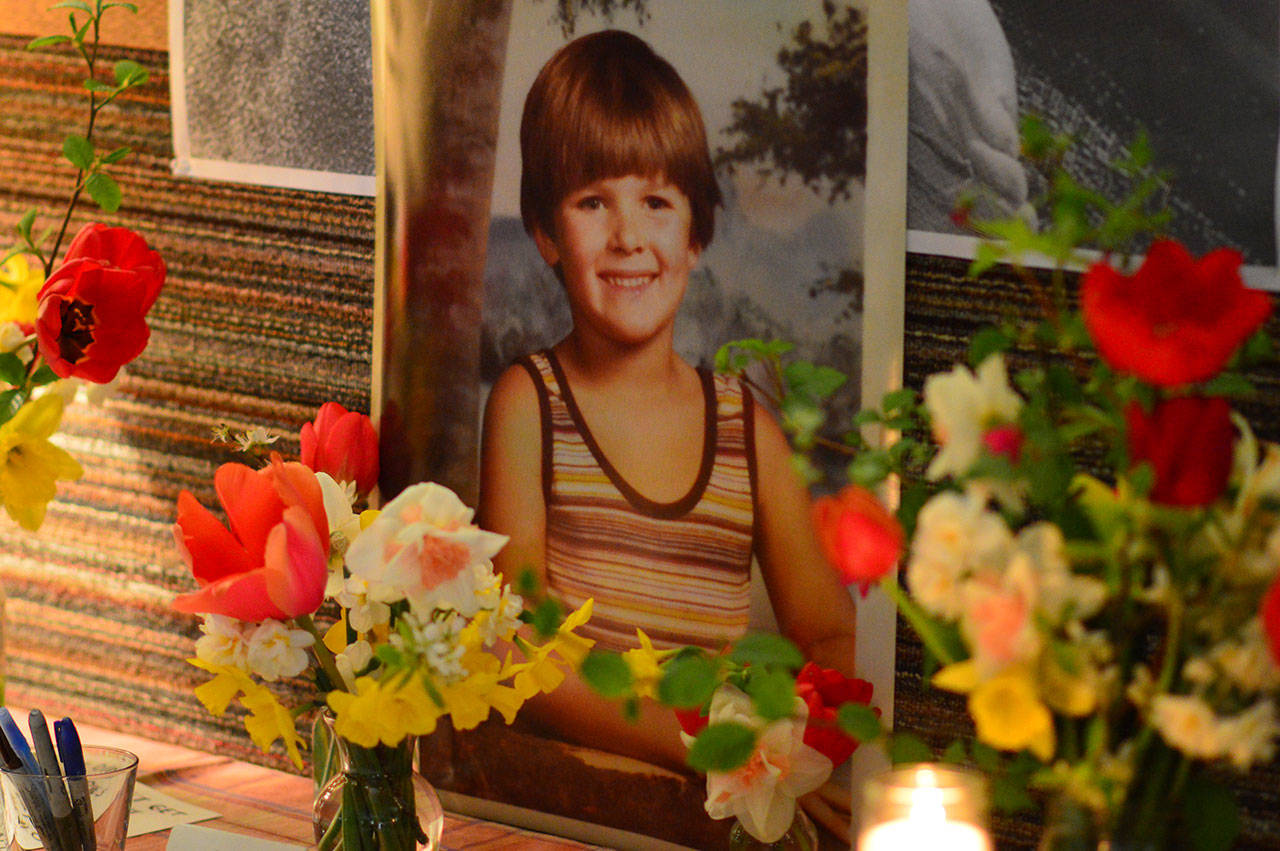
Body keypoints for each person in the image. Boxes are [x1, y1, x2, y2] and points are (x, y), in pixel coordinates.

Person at [478, 29, 859, 783]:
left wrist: (784, 745)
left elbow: (829, 636)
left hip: (718, 812)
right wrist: (698, 746)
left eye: (656, 200)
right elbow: (518, 645)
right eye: (592, 202)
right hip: (574, 806)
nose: (627, 237)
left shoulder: (746, 430)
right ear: (548, 234)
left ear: (697, 233)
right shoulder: (531, 404)